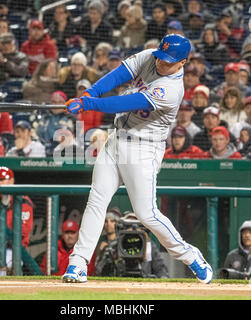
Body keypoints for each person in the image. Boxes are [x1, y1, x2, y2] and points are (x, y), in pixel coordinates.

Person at [62, 34, 213, 284]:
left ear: (183, 62)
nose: (161, 63)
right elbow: (116, 76)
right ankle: (78, 263)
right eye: (161, 57)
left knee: (146, 214)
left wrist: (90, 104)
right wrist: (88, 94)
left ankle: (189, 255)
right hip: (117, 139)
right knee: (96, 200)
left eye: (168, 61)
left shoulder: (172, 89)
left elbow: (129, 101)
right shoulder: (152, 56)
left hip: (143, 149)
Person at [95, 212, 169, 278]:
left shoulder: (149, 245)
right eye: (128, 226)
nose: (133, 229)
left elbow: (160, 269)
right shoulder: (115, 245)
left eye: (137, 227)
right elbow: (100, 271)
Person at [0, 166, 34, 273]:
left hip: (13, 251)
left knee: (1, 269)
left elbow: (22, 233)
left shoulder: (23, 202)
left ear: (11, 181)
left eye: (2, 180)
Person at [34, 91, 75, 157]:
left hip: (61, 152)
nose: (56, 105)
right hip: (39, 149)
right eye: (54, 102)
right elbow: (34, 133)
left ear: (65, 104)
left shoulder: (70, 119)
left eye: (60, 102)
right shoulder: (43, 118)